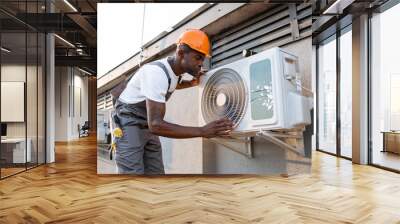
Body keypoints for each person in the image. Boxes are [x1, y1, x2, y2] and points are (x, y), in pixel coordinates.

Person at [114, 29, 233, 174]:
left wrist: (190, 83)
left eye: (203, 59)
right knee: (132, 174)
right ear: (181, 53)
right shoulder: (156, 73)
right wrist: (202, 131)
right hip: (129, 122)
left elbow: (171, 84)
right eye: (198, 58)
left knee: (156, 172)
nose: (201, 63)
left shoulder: (175, 72)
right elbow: (156, 125)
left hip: (147, 122)